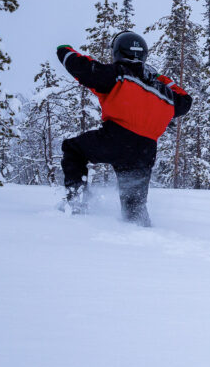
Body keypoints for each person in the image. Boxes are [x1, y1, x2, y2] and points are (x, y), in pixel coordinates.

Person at [56, 31, 192, 227]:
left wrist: (64, 51)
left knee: (73, 149)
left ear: (118, 52)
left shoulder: (118, 74)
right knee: (134, 207)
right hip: (145, 151)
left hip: (115, 138)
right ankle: (140, 232)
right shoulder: (164, 93)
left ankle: (77, 202)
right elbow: (185, 101)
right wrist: (161, 78)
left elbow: (84, 68)